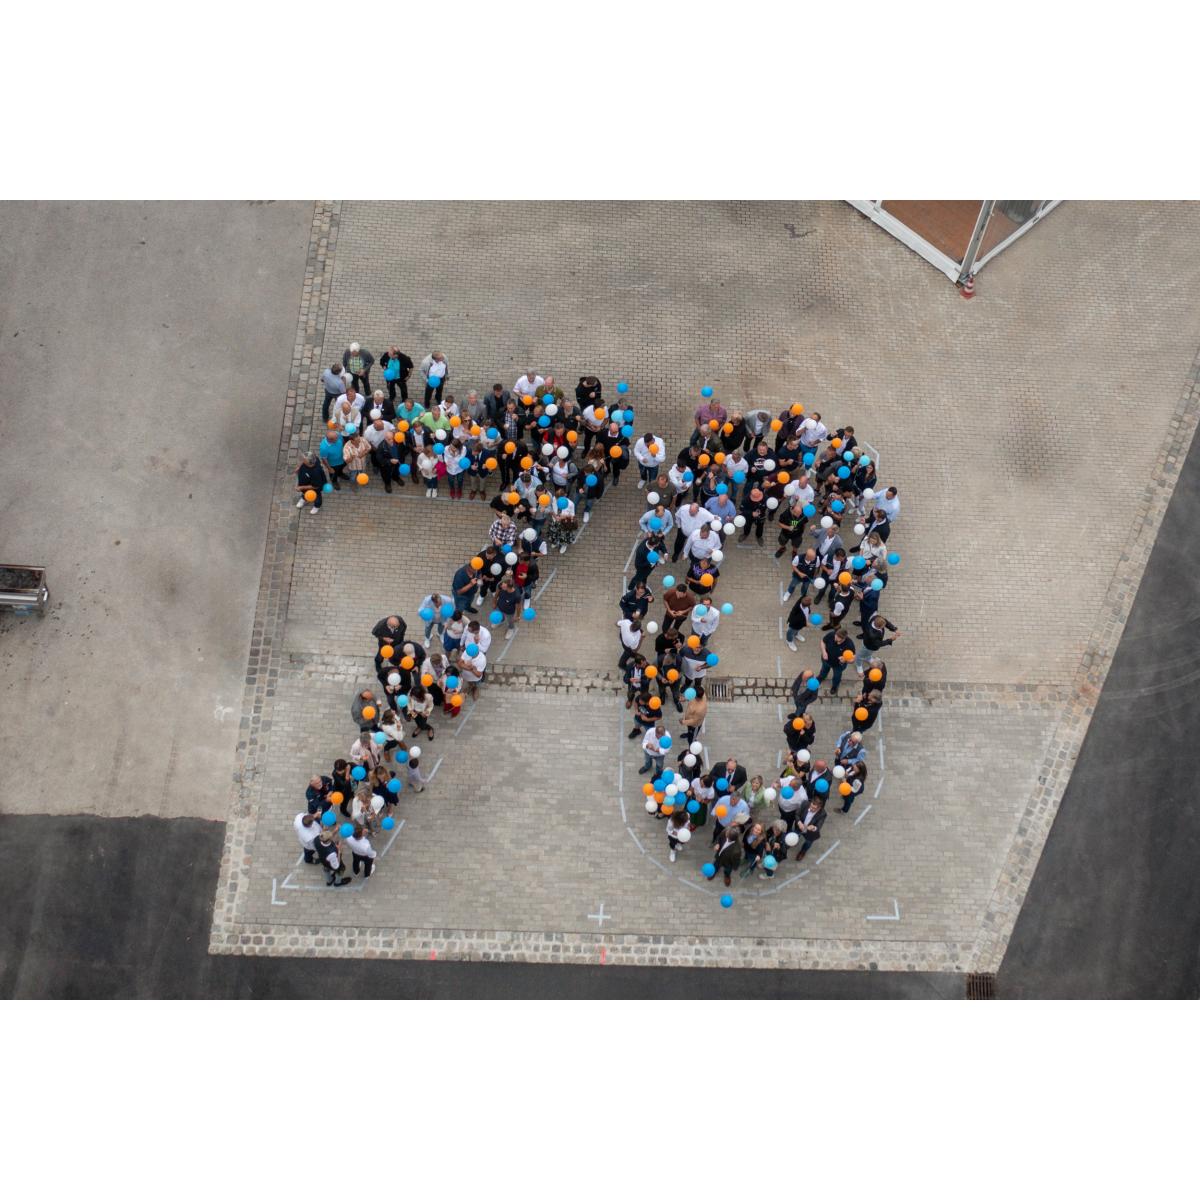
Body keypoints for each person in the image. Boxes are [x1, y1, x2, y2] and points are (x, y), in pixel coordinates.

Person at [817, 627, 856, 696]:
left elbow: (853, 658)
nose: (835, 639)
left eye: (838, 638)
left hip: (838, 665)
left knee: (837, 676)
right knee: (823, 670)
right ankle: (821, 677)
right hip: (826, 660)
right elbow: (823, 641)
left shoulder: (849, 644)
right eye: (836, 636)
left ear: (843, 639)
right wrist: (824, 652)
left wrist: (845, 659)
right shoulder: (831, 635)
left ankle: (834, 686)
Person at [793, 795, 826, 860]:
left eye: (814, 808)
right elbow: (797, 814)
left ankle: (802, 852)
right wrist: (799, 822)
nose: (811, 809)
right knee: (795, 835)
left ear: (819, 808)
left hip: (810, 832)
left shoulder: (823, 814)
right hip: (799, 827)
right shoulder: (805, 803)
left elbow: (819, 826)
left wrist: (814, 828)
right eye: (811, 806)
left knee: (808, 843)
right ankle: (794, 841)